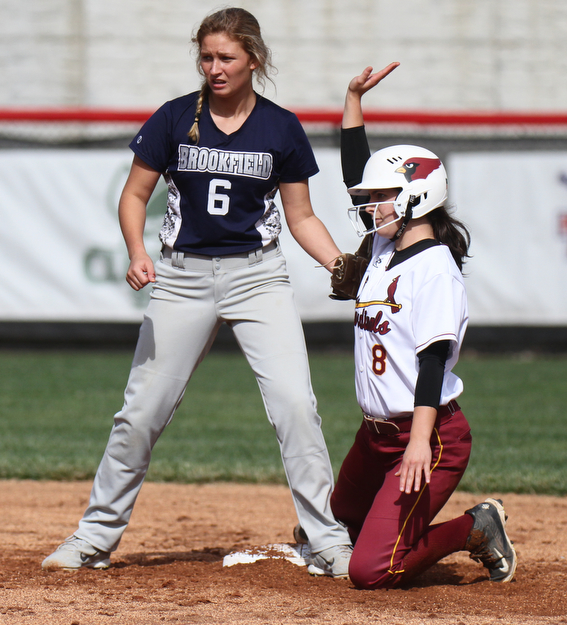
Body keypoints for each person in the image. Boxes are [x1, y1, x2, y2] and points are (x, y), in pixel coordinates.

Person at [42, 7, 352, 578]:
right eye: (206, 56)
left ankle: (327, 540)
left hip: (258, 277)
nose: (214, 67)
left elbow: (301, 216)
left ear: (252, 59)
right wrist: (138, 252)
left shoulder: (280, 127)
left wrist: (338, 263)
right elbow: (134, 196)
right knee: (139, 414)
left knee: (296, 408)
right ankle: (94, 536)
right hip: (181, 278)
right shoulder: (174, 117)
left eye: (226, 57)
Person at [328, 65, 517, 588]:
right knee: (340, 514)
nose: (369, 205)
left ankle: (474, 528)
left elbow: (432, 361)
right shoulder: (386, 247)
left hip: (427, 437)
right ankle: (396, 526)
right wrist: (352, 101)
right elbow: (354, 175)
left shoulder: (434, 269)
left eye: (382, 195)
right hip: (376, 436)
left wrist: (418, 443)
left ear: (415, 197)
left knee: (370, 569)